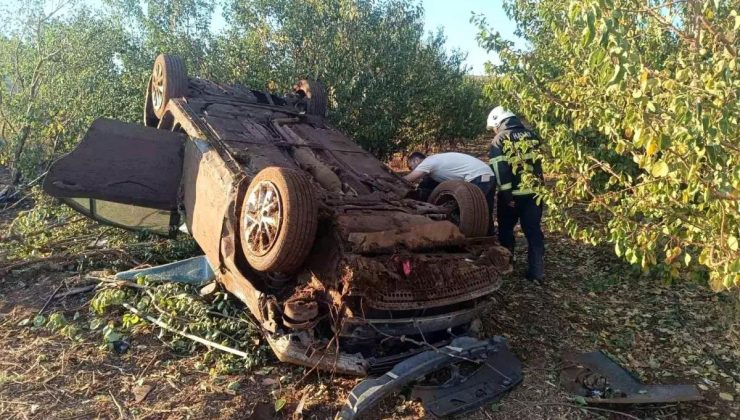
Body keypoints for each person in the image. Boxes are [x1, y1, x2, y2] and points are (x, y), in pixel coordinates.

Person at [486, 106, 545, 282]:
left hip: (513, 195)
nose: (494, 131)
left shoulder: (500, 139)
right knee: (533, 231)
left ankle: (507, 264)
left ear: (499, 121)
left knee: (505, 229)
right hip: (535, 194)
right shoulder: (532, 136)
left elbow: (500, 169)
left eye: (494, 127)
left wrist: (507, 196)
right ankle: (537, 272)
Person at [404, 152, 495, 228]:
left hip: (478, 176)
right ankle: (489, 240)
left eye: (411, 167)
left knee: (470, 212)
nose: (411, 170)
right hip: (487, 174)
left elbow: (409, 178)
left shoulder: (428, 162)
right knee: (485, 211)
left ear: (416, 160)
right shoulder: (436, 163)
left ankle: (465, 238)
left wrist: (394, 181)